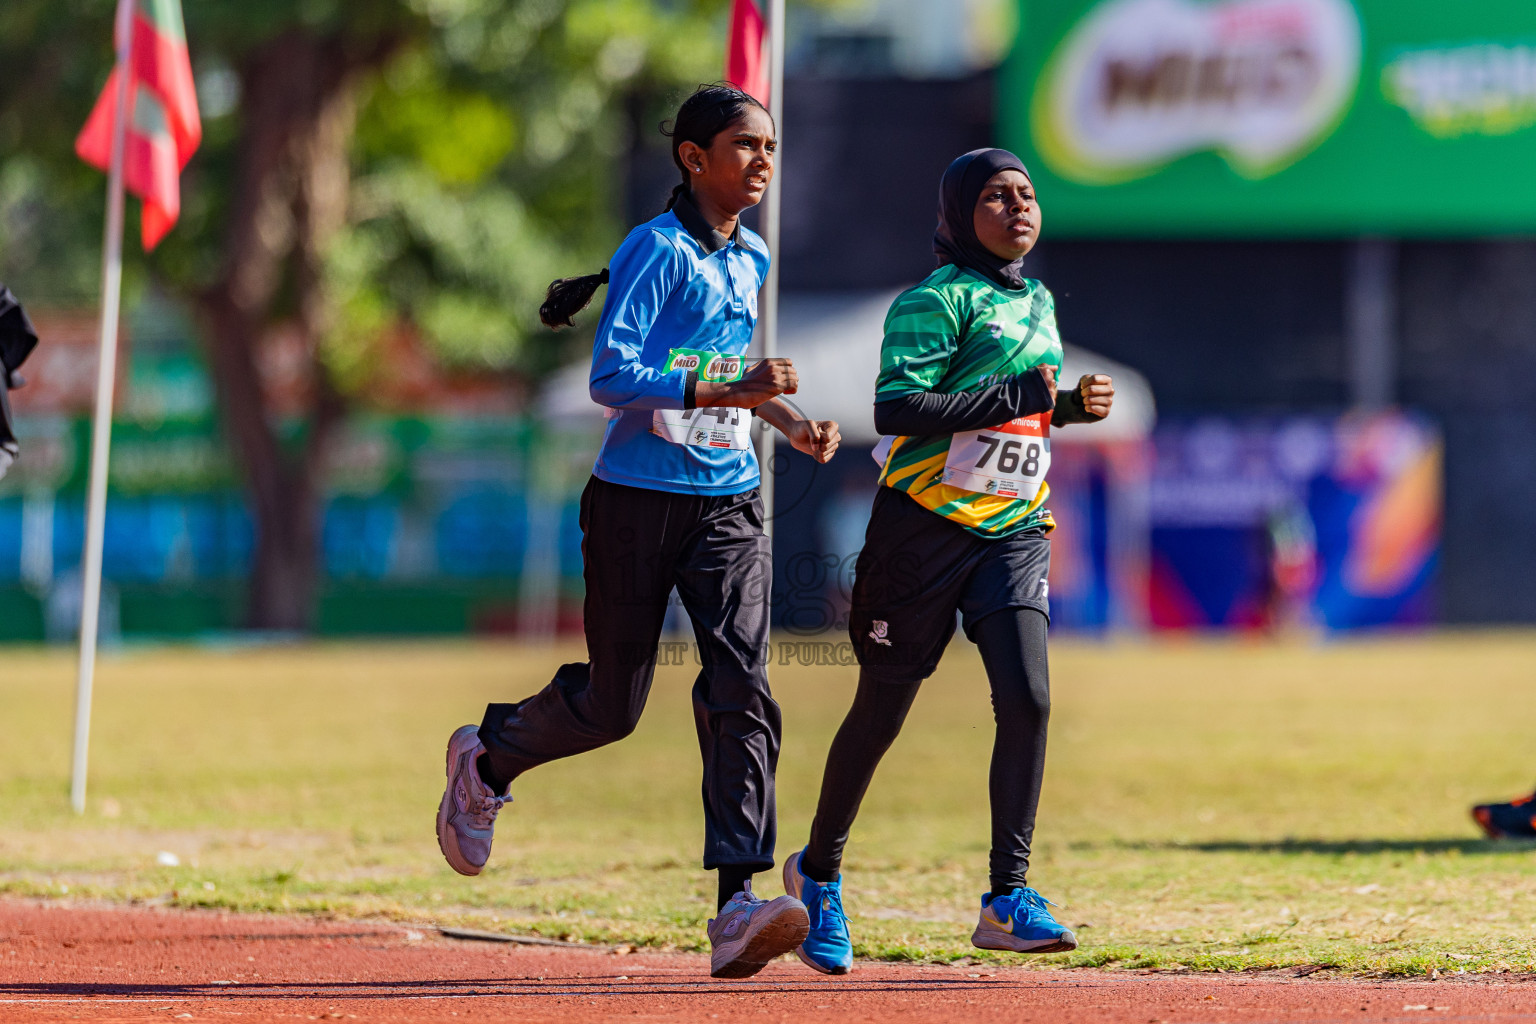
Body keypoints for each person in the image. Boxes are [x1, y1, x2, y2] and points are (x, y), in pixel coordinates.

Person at [434, 84, 842, 979]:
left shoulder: (753, 257)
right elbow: (613, 378)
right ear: (694, 159)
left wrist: (792, 422)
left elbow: (733, 373)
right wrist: (726, 390)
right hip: (634, 502)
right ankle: (490, 754)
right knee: (614, 706)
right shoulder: (653, 250)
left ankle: (739, 900)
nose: (764, 160)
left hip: (731, 499)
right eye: (745, 145)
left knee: (744, 684)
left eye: (771, 145)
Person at [779, 149, 1115, 974]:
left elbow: (1012, 414)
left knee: (1029, 697)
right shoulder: (933, 301)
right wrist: (1029, 396)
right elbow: (897, 407)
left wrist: (1064, 408)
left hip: (1014, 528)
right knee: (884, 710)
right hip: (922, 529)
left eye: (1028, 194)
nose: (1018, 207)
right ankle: (818, 873)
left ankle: (1008, 896)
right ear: (960, 214)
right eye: (997, 197)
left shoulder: (1035, 298)